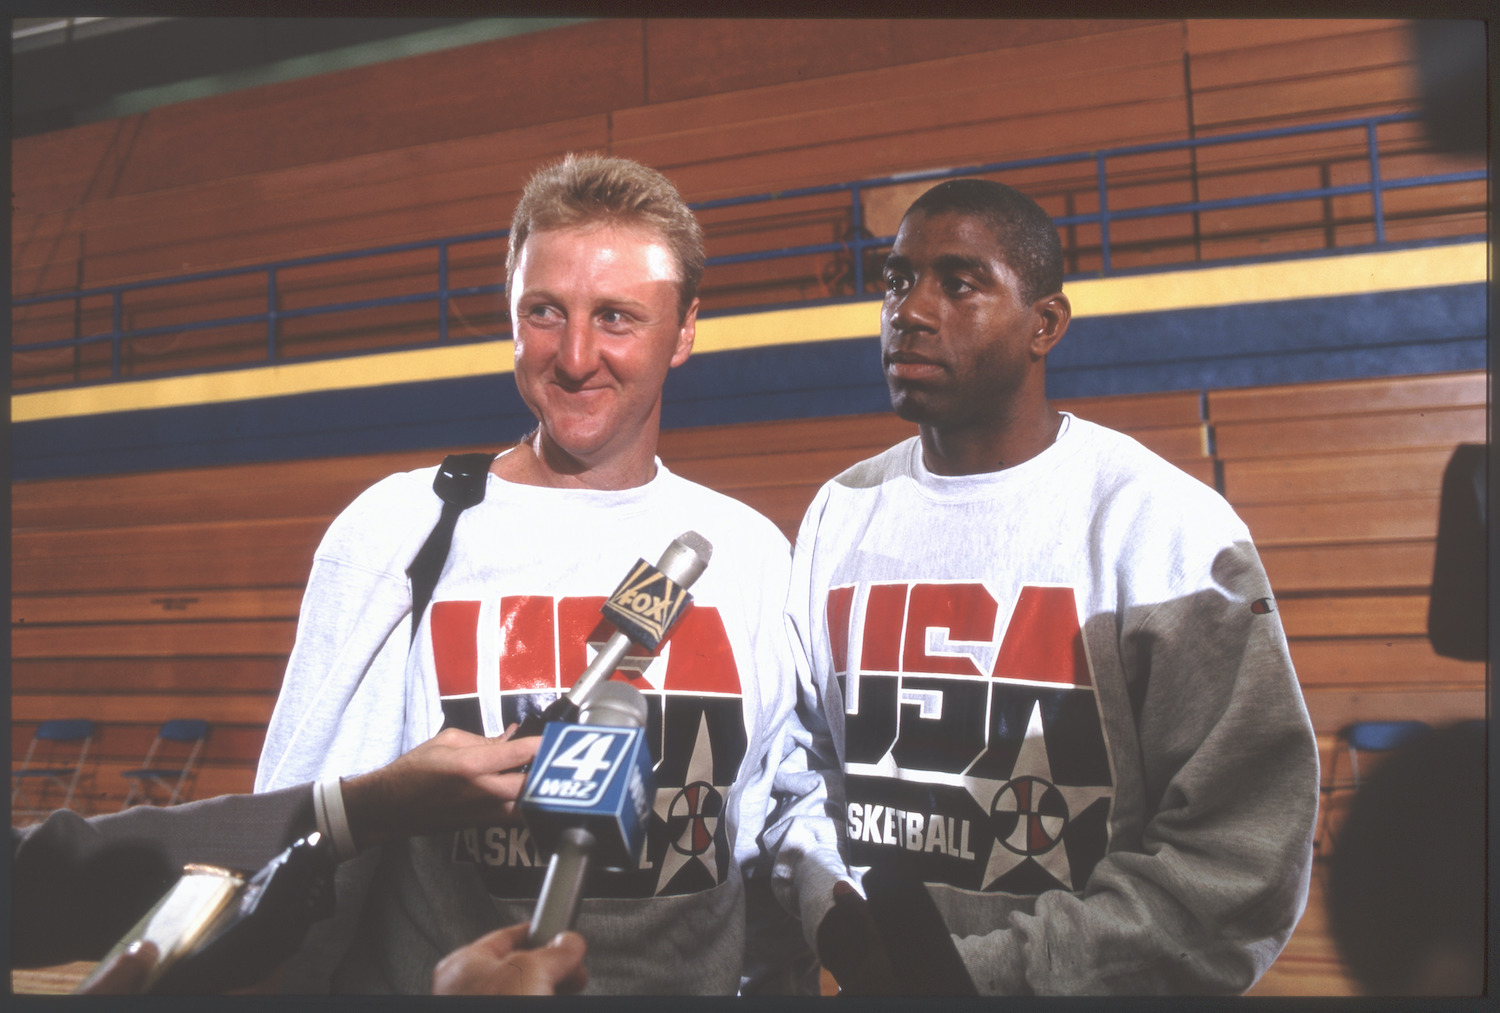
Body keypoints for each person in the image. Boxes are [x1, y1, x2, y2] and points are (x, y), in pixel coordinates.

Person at [254, 153, 844, 994]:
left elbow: (769, 821)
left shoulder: (747, 549)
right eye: (544, 311)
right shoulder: (399, 527)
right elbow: (298, 830)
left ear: (683, 332)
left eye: (616, 317)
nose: (574, 357)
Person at [784, 178, 1320, 994]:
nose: (910, 311)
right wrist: (833, 909)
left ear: (1045, 324)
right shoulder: (839, 512)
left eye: (959, 283)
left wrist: (966, 975)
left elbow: (1236, 866)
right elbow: (802, 766)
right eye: (897, 280)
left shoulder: (1165, 524)